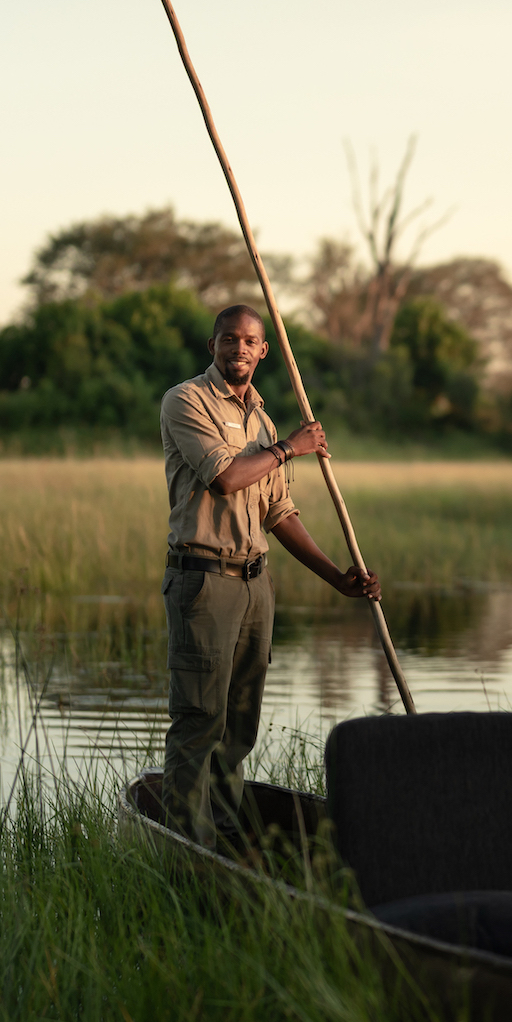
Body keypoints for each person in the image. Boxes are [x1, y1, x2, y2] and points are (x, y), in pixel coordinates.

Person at [158, 303, 380, 844]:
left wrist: (338, 578)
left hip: (256, 584)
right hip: (204, 581)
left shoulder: (262, 418)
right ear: (212, 347)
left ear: (263, 351)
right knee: (200, 719)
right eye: (228, 338)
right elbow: (227, 478)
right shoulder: (186, 400)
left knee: (239, 723)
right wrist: (290, 448)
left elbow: (278, 514)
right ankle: (186, 843)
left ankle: (226, 838)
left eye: (250, 341)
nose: (239, 348)